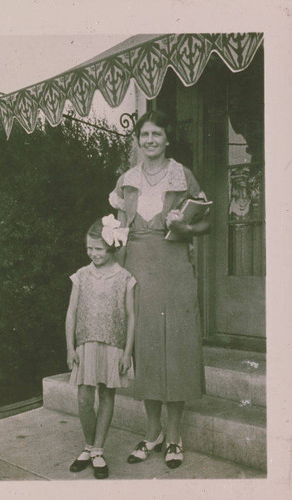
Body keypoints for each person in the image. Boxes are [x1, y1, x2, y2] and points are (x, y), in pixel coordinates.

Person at [109, 110, 211, 469]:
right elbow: (120, 232)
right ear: (137, 140)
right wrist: (115, 274)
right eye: (145, 134)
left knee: (177, 347)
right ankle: (151, 434)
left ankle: (174, 437)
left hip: (175, 268)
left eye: (157, 134)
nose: (150, 140)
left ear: (167, 139)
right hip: (137, 267)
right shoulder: (127, 180)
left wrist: (184, 227)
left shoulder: (182, 175)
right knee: (146, 347)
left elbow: (206, 222)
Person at [66, 215, 136, 479]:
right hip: (85, 344)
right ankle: (88, 445)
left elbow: (131, 316)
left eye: (98, 249)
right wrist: (70, 347)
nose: (93, 253)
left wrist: (128, 352)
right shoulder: (81, 276)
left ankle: (97, 450)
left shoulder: (125, 278)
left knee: (107, 396)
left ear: (112, 248)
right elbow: (71, 313)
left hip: (113, 345)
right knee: (84, 398)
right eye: (89, 248)